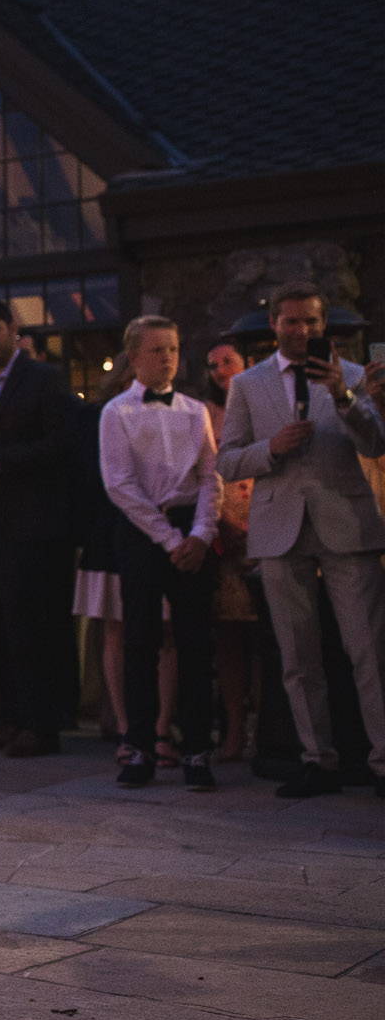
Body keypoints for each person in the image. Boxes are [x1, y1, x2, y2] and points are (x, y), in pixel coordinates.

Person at [218, 280, 385, 799]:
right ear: (274, 325)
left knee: (370, 653)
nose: (302, 330)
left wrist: (344, 395)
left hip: (346, 524)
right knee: (297, 657)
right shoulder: (247, 385)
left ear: (323, 323)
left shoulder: (354, 376)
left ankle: (383, 762)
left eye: (311, 321)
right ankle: (318, 760)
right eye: (291, 321)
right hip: (278, 527)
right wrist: (272, 448)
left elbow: (376, 441)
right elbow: (225, 460)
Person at [100, 316, 223, 791]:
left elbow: (211, 476)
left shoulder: (195, 411)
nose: (168, 357)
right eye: (157, 350)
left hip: (190, 528)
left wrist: (200, 533)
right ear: (134, 357)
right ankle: (140, 748)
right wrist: (169, 540)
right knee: (140, 641)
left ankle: (196, 749)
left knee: (195, 643)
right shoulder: (117, 413)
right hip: (142, 530)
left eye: (173, 349)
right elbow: (120, 486)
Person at [0, 298, 79, 758]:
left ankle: (41, 724)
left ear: (13, 329)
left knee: (27, 624)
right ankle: (12, 715)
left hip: (27, 523)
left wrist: (0, 460)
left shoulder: (42, 379)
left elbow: (63, 443)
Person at [72, 356, 173, 767]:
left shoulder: (178, 413)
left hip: (162, 526)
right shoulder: (97, 420)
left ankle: (162, 727)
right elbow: (88, 477)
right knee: (114, 627)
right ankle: (128, 726)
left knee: (165, 629)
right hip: (109, 528)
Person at [203, 340, 257, 762]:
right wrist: (222, 523)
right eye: (213, 365)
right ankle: (235, 730)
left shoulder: (266, 406)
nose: (221, 370)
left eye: (228, 361)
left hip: (271, 531)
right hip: (225, 535)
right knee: (231, 639)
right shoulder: (206, 414)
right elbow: (204, 472)